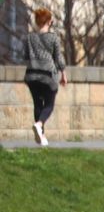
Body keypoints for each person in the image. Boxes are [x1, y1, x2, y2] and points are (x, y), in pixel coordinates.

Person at [21, 8, 66, 147]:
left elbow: (26, 57)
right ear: (48, 21)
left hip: (32, 75)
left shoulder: (29, 37)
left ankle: (42, 136)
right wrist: (63, 73)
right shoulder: (53, 38)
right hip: (47, 75)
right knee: (49, 104)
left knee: (37, 104)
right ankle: (39, 124)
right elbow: (58, 58)